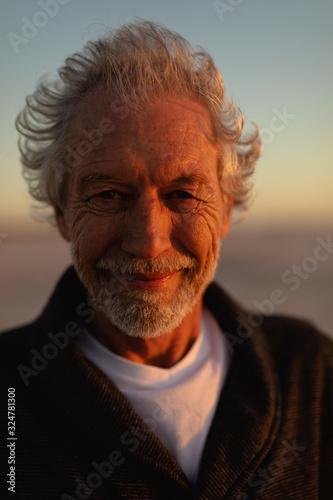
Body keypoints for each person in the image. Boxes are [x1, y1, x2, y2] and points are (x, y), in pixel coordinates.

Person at [0, 21, 332, 500]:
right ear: (62, 216)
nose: (148, 242)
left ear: (225, 211)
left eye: (181, 193)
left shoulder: (310, 372)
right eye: (109, 194)